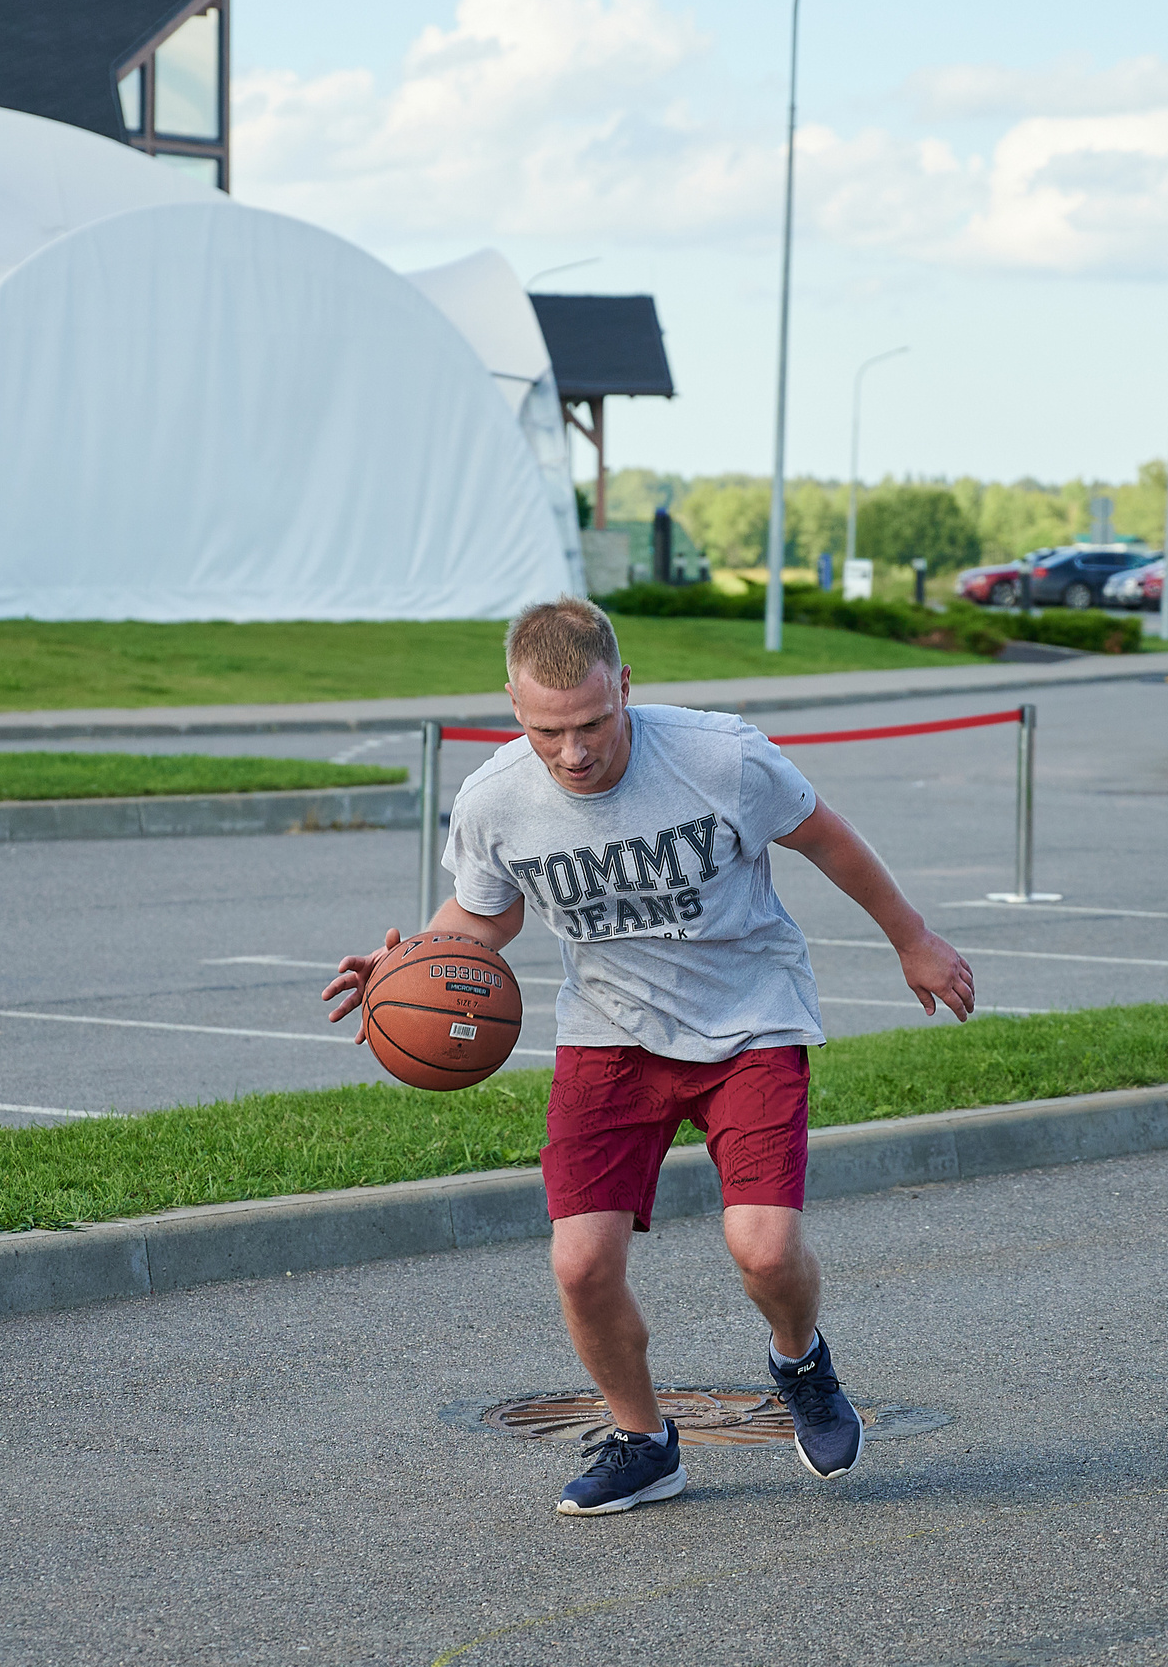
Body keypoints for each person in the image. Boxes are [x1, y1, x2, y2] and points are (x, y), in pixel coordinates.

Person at [325, 599, 974, 1516]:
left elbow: (824, 836)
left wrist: (913, 939)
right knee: (581, 1264)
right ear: (513, 705)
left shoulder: (722, 759)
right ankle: (644, 1442)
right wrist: (407, 968)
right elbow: (486, 915)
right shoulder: (496, 797)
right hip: (610, 1031)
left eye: (592, 723)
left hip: (749, 1018)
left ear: (625, 686)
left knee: (764, 1248)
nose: (573, 752)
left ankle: (801, 1362)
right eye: (547, 730)